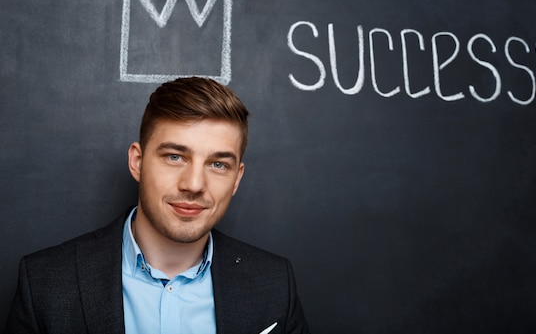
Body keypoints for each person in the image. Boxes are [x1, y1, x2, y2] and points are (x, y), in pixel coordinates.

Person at [5, 77, 310, 334]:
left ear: (236, 178)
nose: (193, 184)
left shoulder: (274, 285)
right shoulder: (45, 282)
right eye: (175, 156)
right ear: (137, 162)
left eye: (217, 164)